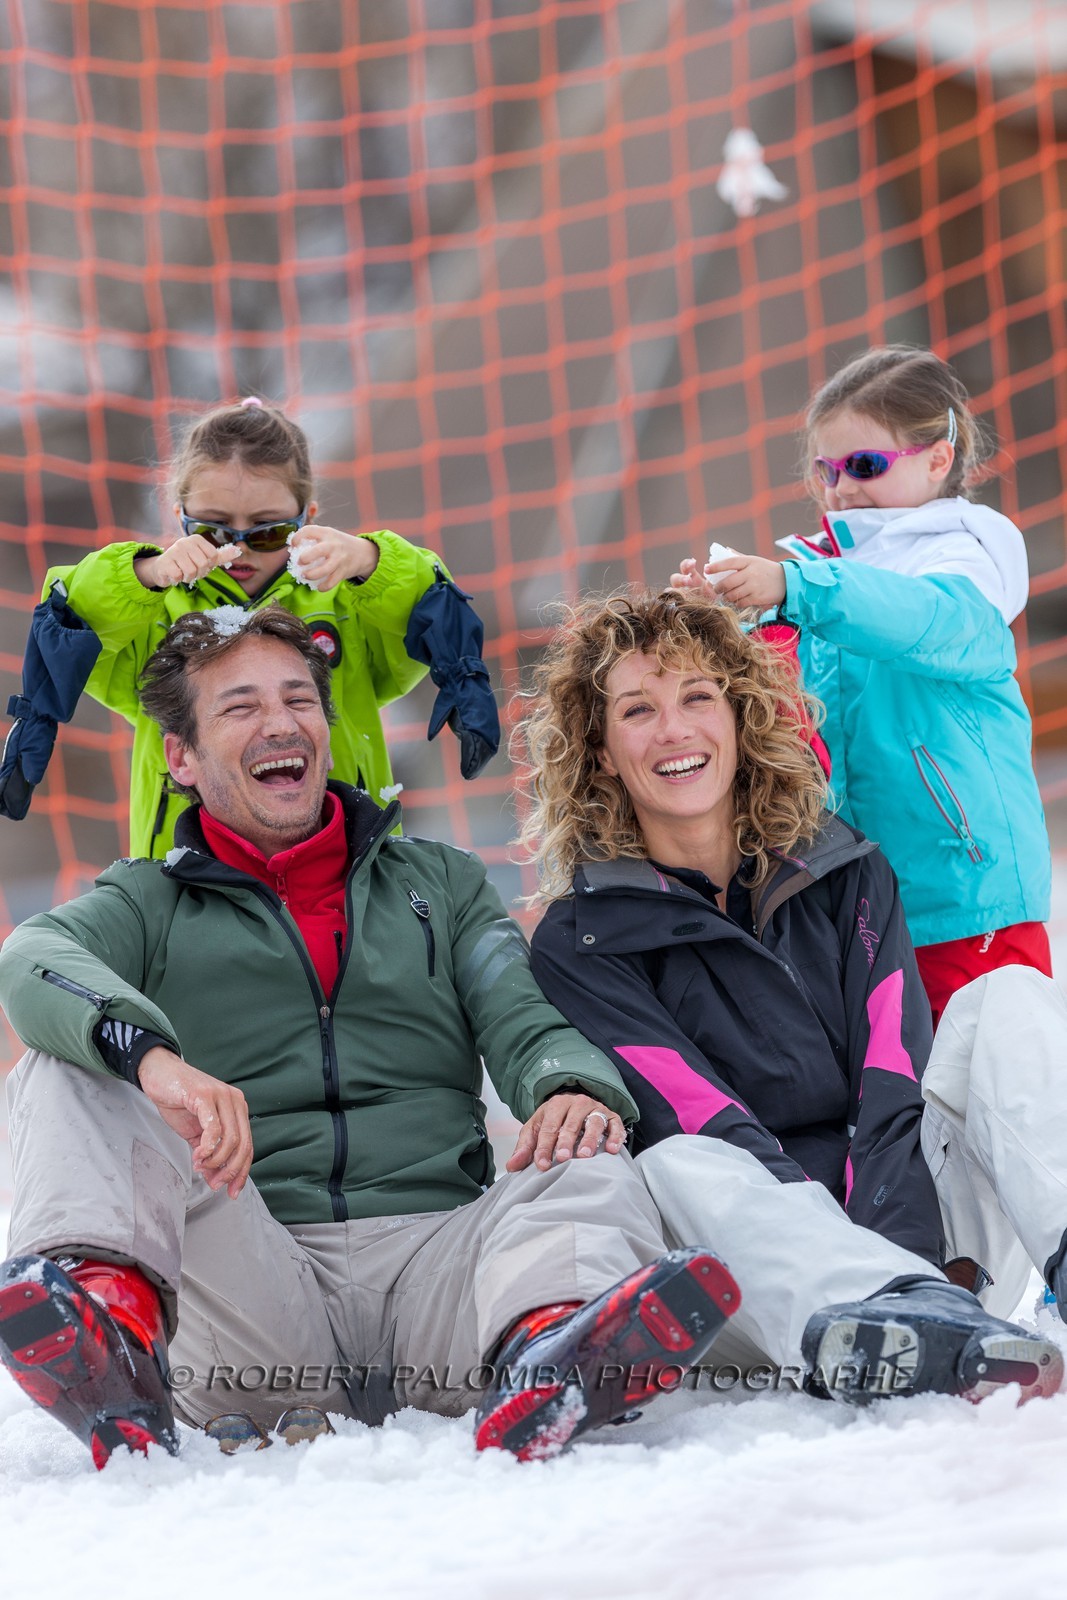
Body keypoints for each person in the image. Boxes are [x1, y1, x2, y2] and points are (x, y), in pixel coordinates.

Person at [0, 605, 740, 1469]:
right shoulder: (145, 900)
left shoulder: (442, 883)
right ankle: (107, 1339)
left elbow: (520, 1013)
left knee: (585, 1139)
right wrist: (157, 1062)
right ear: (183, 758)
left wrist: (565, 1084)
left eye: (298, 701)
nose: (280, 722)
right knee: (69, 1066)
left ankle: (552, 1353)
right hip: (257, 1296)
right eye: (240, 707)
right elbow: (33, 957)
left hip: (446, 1282)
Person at [519, 587, 1066, 1403]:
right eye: (637, 710)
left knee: (1007, 996)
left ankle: (958, 1301)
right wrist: (866, 1273)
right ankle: (887, 1316)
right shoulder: (579, 937)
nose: (674, 730)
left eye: (697, 697)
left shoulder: (847, 870)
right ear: (600, 752)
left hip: (927, 1241)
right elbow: (704, 1118)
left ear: (738, 718)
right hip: (776, 1282)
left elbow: (891, 1088)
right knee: (676, 1161)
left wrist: (912, 1264)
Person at [671, 346, 1052, 1024]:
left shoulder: (966, 550)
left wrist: (794, 587)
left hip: (963, 896)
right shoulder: (822, 573)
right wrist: (725, 617)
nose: (841, 488)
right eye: (825, 471)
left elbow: (931, 620)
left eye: (864, 466)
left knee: (996, 1100)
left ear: (936, 459)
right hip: (854, 907)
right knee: (895, 1109)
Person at [38, 396, 485, 858]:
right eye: (213, 530)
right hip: (190, 881)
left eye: (267, 530)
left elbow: (433, 612)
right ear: (179, 518)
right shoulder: (150, 614)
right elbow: (67, 621)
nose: (240, 549)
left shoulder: (349, 603)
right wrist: (143, 575)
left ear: (307, 517)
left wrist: (373, 562)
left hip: (346, 869)